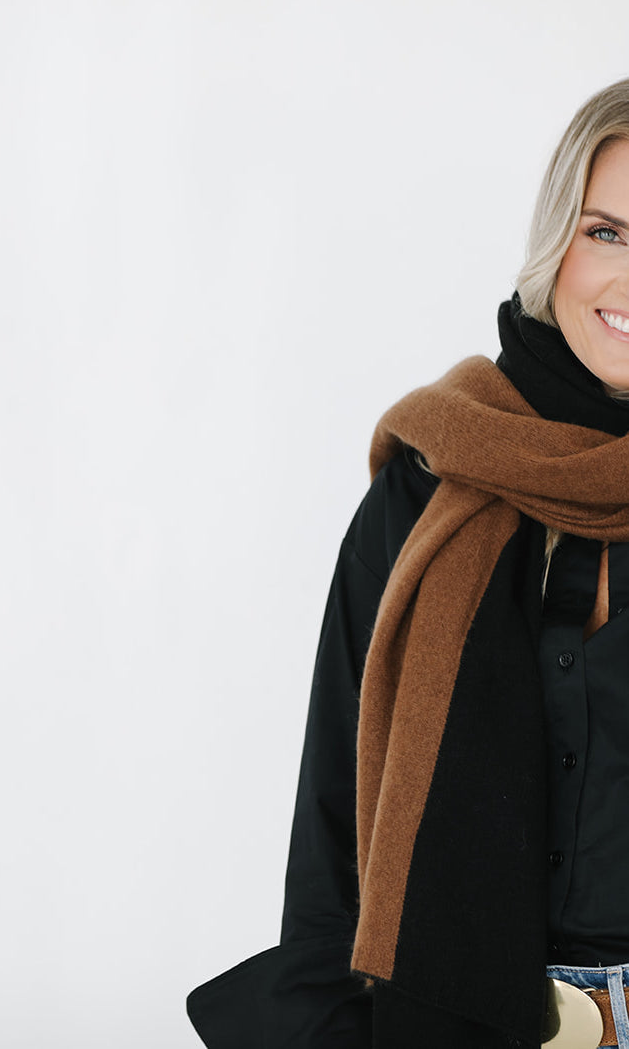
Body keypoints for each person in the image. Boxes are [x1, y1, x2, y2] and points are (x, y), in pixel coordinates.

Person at [187, 77, 629, 1049]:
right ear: (559, 237)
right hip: (462, 1020)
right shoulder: (433, 484)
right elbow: (334, 827)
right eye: (609, 233)